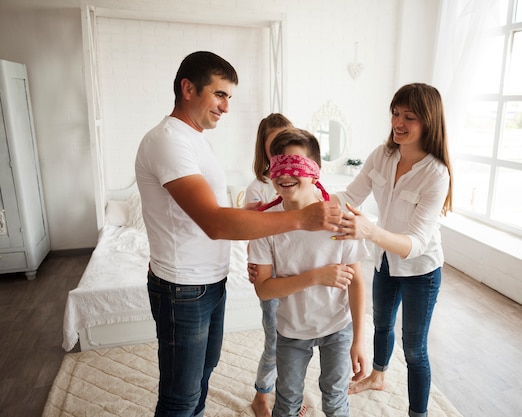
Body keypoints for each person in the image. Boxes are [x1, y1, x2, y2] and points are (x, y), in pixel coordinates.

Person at [134, 51, 342, 417]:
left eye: (229, 97)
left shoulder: (195, 139)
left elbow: (217, 211)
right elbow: (214, 223)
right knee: (180, 394)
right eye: (219, 94)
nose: (226, 107)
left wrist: (257, 213)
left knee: (201, 377)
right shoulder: (168, 141)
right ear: (188, 88)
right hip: (182, 287)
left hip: (209, 282)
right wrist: (300, 220)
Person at [331, 83, 453, 417]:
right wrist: (306, 196)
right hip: (385, 263)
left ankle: (419, 414)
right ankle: (378, 376)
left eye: (409, 117)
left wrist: (369, 229)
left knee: (415, 350)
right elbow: (349, 196)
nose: (398, 122)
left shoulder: (436, 174)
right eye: (395, 114)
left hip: (421, 272)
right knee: (381, 326)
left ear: (429, 121)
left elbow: (415, 244)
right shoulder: (381, 156)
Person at [249, 127, 369, 417]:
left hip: (338, 327)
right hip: (291, 329)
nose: (285, 173)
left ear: (315, 172)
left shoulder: (342, 219)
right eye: (277, 164)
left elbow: (356, 283)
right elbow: (263, 288)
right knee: (287, 401)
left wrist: (359, 340)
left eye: (295, 165)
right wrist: (316, 277)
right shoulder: (265, 223)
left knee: (336, 397)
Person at [244, 113, 305, 417]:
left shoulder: (303, 180)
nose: (282, 151)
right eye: (274, 146)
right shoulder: (258, 187)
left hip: (300, 274)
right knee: (276, 341)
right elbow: (252, 232)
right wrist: (253, 261)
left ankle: (290, 394)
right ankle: (261, 394)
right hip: (272, 277)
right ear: (264, 150)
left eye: (286, 143)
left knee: (299, 340)